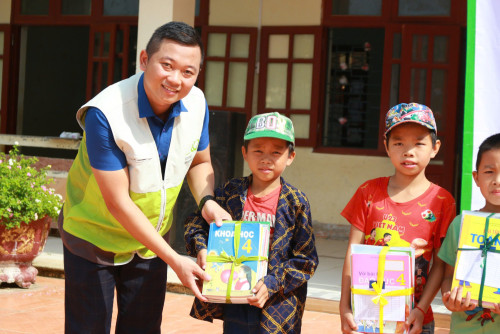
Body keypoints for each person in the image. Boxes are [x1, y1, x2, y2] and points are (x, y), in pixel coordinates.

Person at [59, 21, 231, 333]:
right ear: (144, 60)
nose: (175, 80)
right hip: (93, 238)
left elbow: (199, 162)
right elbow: (118, 203)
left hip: (150, 242)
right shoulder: (106, 112)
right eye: (167, 65)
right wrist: (175, 260)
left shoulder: (197, 103)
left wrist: (207, 200)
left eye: (188, 72)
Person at [184, 112, 319, 333]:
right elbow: (195, 223)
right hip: (235, 299)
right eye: (258, 150)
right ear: (244, 153)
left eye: (276, 152)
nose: (266, 158)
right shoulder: (230, 193)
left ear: (291, 156)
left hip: (278, 306)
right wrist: (203, 248)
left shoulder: (296, 202)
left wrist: (273, 283)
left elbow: (306, 260)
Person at [339, 103, 456, 334]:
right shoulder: (368, 192)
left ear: (435, 148)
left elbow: (440, 265)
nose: (408, 151)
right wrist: (344, 306)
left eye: (419, 143)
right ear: (386, 146)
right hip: (368, 313)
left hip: (415, 318)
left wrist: (421, 310)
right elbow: (353, 252)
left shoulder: (443, 201)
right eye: (399, 142)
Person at [438, 133, 500, 333]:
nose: (497, 180)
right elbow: (448, 277)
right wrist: (450, 299)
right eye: (489, 171)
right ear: (476, 177)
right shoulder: (460, 225)